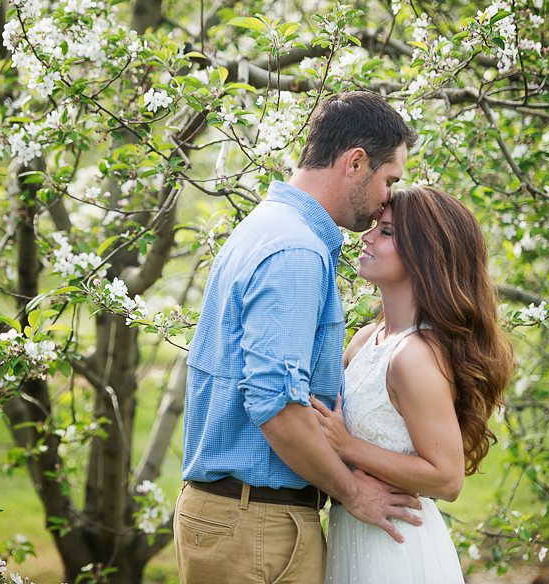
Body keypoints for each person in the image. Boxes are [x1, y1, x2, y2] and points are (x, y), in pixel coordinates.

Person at [174, 92, 421, 584]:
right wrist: (352, 492)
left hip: (243, 520)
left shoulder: (269, 228)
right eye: (389, 180)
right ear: (356, 162)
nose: (384, 205)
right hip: (256, 526)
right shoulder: (295, 251)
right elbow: (277, 408)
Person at [311, 186, 516, 583]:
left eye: (386, 232)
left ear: (425, 256)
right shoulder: (365, 339)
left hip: (395, 548)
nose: (366, 236)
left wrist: (347, 445)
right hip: (352, 532)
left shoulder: (415, 356)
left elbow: (447, 477)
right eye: (374, 227)